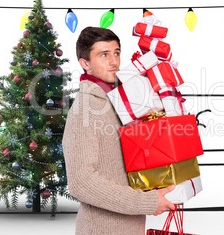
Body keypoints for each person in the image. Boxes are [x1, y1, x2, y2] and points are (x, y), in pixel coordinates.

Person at [62, 27, 175, 235]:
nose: (114, 61)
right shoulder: (84, 111)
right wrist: (147, 202)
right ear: (85, 64)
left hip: (132, 226)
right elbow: (81, 182)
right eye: (103, 55)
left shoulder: (122, 101)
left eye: (116, 52)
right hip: (101, 230)